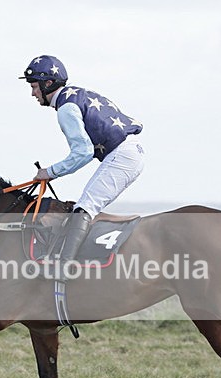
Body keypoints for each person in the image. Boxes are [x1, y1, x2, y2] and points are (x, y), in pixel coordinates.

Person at [19, 55, 145, 280]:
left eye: (34, 86)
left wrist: (49, 172)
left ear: (48, 84)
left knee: (84, 208)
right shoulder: (75, 94)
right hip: (127, 152)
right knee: (84, 206)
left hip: (122, 155)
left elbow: (83, 152)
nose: (32, 93)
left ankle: (63, 269)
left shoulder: (65, 109)